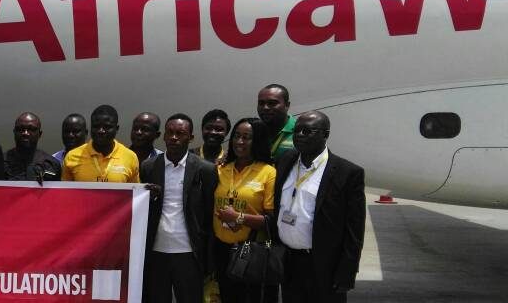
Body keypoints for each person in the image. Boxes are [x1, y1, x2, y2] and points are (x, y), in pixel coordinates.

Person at [271, 111, 365, 303]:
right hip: (288, 262)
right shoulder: (286, 161)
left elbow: (354, 230)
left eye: (307, 131)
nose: (299, 136)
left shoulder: (347, 173)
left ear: (325, 134)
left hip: (324, 265)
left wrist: (348, 271)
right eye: (297, 131)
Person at [141, 113, 217, 303]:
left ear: (191, 137)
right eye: (170, 132)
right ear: (164, 136)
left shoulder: (205, 169)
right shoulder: (149, 167)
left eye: (180, 133)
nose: (174, 137)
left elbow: (209, 214)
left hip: (189, 252)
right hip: (156, 250)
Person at [212, 118, 277, 303]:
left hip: (249, 252)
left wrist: (238, 217)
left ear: (257, 141)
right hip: (221, 248)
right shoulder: (221, 168)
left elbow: (270, 220)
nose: (240, 142)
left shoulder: (267, 172)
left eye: (247, 137)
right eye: (237, 136)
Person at [61, 105, 139, 183]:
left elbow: (135, 191)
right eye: (96, 126)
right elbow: (65, 192)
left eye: (107, 127)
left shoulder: (130, 157)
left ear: (117, 128)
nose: (101, 131)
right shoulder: (71, 157)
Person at [3, 112, 60, 182]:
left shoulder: (51, 164)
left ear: (40, 134)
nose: (25, 133)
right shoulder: (0, 162)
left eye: (31, 129)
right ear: (14, 132)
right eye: (21, 129)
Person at [257, 84, 295, 162]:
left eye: (272, 103)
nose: (265, 108)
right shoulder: (254, 131)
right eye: (261, 103)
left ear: (287, 105)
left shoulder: (301, 131)